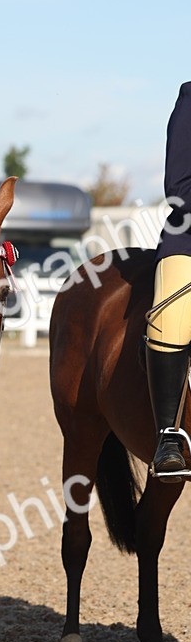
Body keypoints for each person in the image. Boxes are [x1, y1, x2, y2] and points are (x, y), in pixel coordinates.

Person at [146, 81, 191, 479]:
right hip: (188, 239)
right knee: (170, 314)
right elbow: (178, 186)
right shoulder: (190, 100)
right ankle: (169, 436)